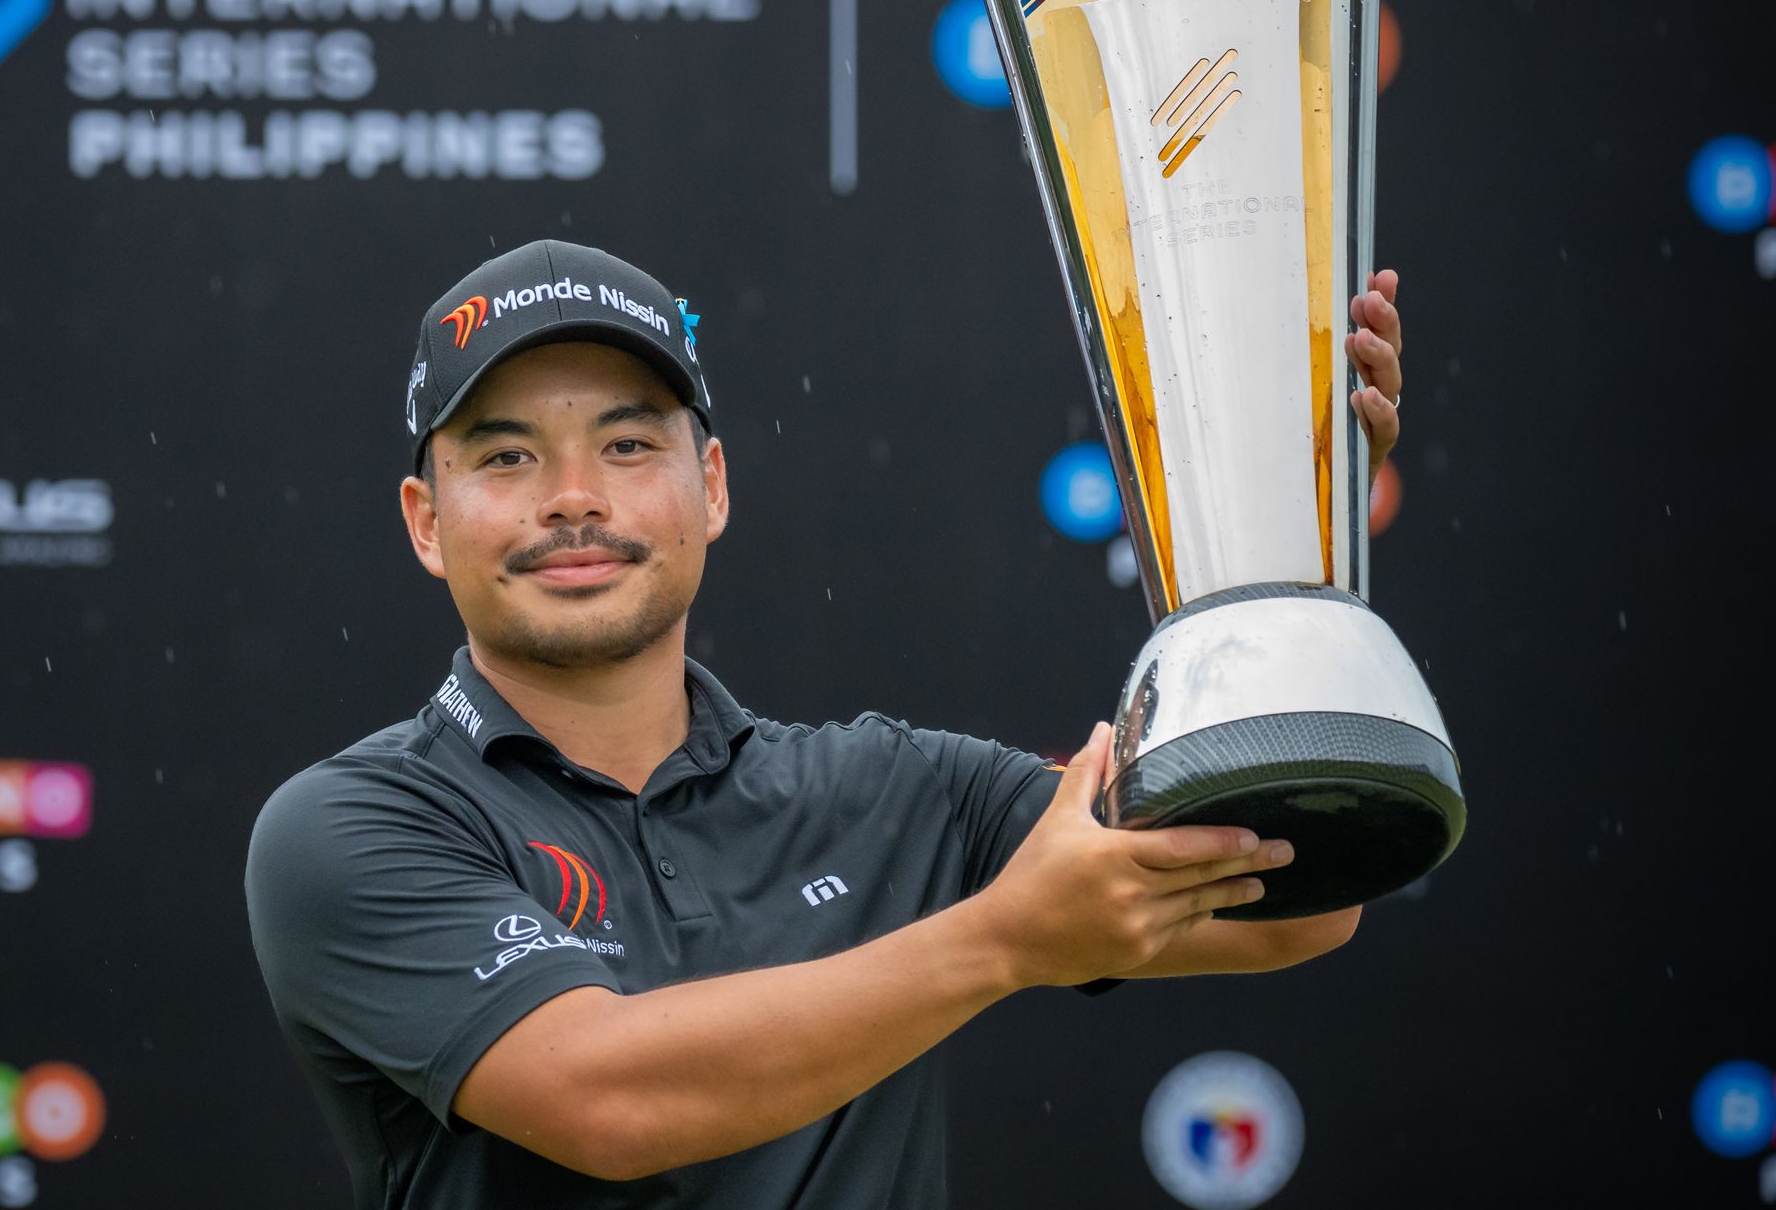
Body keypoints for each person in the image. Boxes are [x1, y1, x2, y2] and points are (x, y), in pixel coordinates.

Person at [244, 238, 1408, 1207]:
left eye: (628, 444)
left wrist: (1283, 545)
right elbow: (608, 1103)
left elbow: (1293, 902)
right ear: (425, 521)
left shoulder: (896, 791)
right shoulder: (349, 826)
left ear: (712, 487)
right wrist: (1000, 941)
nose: (572, 496)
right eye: (505, 457)